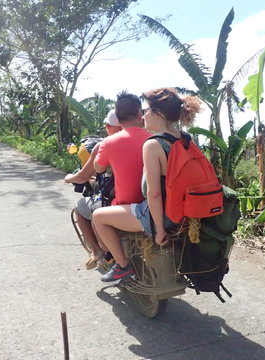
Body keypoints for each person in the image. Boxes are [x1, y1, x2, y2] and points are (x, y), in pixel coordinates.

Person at [93, 88, 201, 285]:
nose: (144, 115)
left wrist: (159, 230)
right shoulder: (187, 139)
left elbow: (154, 194)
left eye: (148, 110)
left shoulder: (153, 144)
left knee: (98, 217)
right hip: (185, 210)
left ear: (159, 114)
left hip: (161, 214)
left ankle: (123, 267)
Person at [91, 91, 153, 282]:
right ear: (139, 113)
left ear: (117, 117)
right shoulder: (154, 139)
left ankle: (121, 266)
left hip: (128, 207)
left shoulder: (108, 143)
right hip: (153, 205)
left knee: (97, 217)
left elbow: (98, 168)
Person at [64, 110, 122, 269]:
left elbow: (83, 176)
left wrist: (69, 177)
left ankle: (97, 252)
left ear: (108, 126)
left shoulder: (103, 145)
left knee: (80, 207)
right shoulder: (146, 140)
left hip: (115, 199)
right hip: (141, 199)